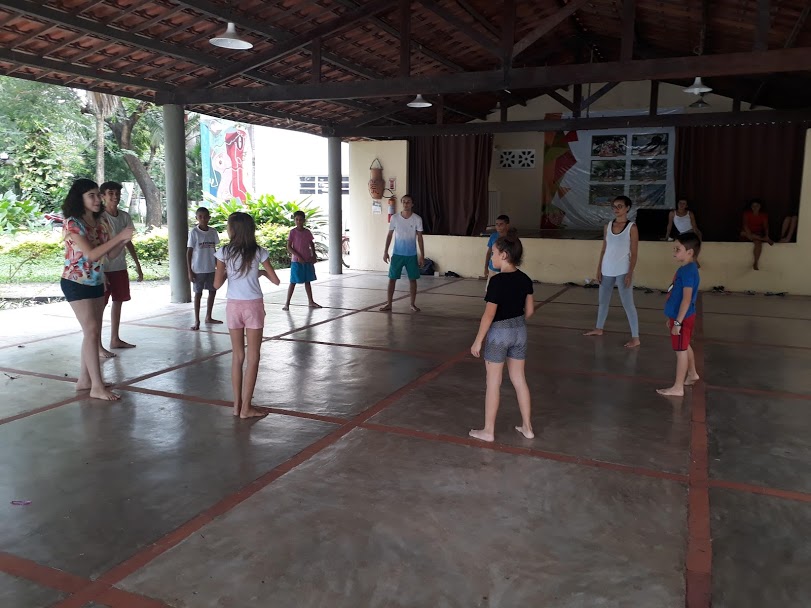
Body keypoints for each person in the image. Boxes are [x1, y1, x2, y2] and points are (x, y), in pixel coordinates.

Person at [60, 179, 134, 401]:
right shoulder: (73, 224)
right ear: (80, 199)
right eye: (91, 195)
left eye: (96, 195)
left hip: (96, 282)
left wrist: (123, 241)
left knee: (92, 333)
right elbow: (91, 254)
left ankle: (85, 380)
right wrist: (119, 237)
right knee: (92, 330)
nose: (97, 199)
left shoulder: (100, 222)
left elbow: (109, 255)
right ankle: (97, 386)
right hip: (75, 282)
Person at [469, 229, 535, 442]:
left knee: (493, 383)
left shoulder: (496, 282)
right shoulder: (525, 279)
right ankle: (527, 427)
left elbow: (489, 315)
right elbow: (530, 311)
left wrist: (478, 341)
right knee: (519, 379)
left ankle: (488, 431)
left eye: (494, 253)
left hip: (499, 334)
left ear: (504, 255)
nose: (492, 257)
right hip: (520, 332)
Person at [214, 212, 280, 419]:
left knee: (237, 357)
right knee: (253, 357)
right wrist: (260, 273)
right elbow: (276, 280)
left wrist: (229, 272)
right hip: (253, 306)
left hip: (233, 306)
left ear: (233, 230)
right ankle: (247, 408)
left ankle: (236, 406)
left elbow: (216, 284)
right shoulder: (259, 252)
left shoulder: (224, 252)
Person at [584, 196, 641, 348]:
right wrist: (599, 269)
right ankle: (599, 328)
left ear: (627, 208)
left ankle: (635, 337)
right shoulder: (608, 226)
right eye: (614, 206)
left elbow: (634, 253)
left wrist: (630, 273)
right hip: (607, 269)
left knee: (628, 304)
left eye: (620, 206)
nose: (616, 209)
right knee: (603, 302)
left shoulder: (632, 228)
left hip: (623, 270)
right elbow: (604, 249)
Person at [98, 181, 143, 354]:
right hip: (103, 268)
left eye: (117, 193)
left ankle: (115, 338)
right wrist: (100, 270)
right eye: (110, 193)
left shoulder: (124, 217)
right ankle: (97, 344)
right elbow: (96, 244)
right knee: (100, 307)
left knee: (118, 301)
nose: (115, 196)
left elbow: (128, 241)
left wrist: (137, 265)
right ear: (103, 196)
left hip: (119, 266)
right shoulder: (99, 217)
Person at [657, 232, 701, 397]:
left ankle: (678, 387)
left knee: (680, 350)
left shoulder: (688, 271)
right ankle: (692, 373)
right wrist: (673, 318)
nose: (674, 252)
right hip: (679, 316)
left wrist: (678, 322)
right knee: (685, 344)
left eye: (678, 249)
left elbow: (686, 299)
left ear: (689, 252)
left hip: (682, 317)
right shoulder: (686, 268)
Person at [380, 194, 425, 312]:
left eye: (408, 202)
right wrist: (385, 252)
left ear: (412, 204)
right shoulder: (394, 218)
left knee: (413, 279)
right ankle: (389, 303)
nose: (406, 204)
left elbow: (420, 238)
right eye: (404, 202)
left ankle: (412, 304)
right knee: (392, 279)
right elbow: (389, 235)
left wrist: (422, 256)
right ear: (401, 203)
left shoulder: (417, 219)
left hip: (411, 255)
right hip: (397, 254)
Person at [187, 207, 222, 330]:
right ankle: (197, 320)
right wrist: (189, 271)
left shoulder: (213, 232)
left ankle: (209, 316)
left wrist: (218, 266)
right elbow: (189, 252)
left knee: (212, 291)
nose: (203, 219)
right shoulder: (194, 232)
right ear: (196, 218)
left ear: (209, 218)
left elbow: (214, 250)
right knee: (198, 293)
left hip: (211, 268)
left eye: (205, 216)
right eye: (200, 216)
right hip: (198, 269)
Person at [283, 210, 321, 310]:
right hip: (296, 261)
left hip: (307, 259)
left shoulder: (307, 232)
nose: (298, 222)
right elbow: (289, 246)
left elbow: (311, 243)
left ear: (304, 220)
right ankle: (287, 303)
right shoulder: (292, 232)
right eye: (297, 220)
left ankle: (311, 301)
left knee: (307, 281)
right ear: (294, 220)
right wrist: (298, 256)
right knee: (293, 282)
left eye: (300, 220)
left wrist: (313, 255)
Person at [740, 198, 774, 270]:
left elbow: (766, 227)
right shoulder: (747, 214)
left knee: (758, 243)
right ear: (751, 207)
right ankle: (765, 239)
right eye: (753, 206)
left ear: (760, 206)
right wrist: (749, 234)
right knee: (743, 233)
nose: (755, 207)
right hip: (747, 232)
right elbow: (745, 225)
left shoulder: (763, 215)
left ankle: (755, 262)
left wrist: (767, 235)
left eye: (757, 206)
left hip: (757, 233)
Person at [480, 215, 510, 280]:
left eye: (501, 224)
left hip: (505, 270)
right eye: (496, 224)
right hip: (492, 269)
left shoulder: (511, 238)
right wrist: (486, 267)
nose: (498, 226)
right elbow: (489, 253)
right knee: (491, 285)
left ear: (507, 226)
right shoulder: (493, 236)